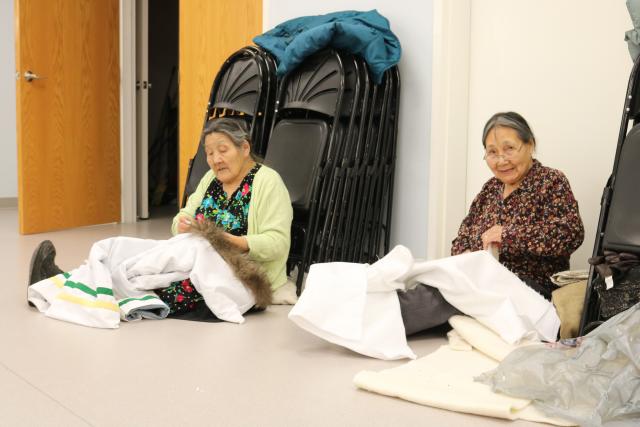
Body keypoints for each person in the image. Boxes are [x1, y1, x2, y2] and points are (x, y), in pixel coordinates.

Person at [28, 117, 293, 324]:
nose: (215, 160)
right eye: (209, 153)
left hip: (241, 275)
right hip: (194, 259)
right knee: (129, 251)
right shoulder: (211, 180)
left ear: (244, 148)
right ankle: (69, 280)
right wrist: (183, 224)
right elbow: (183, 217)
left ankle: (60, 285)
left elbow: (278, 243)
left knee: (149, 279)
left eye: (222, 150)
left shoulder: (268, 182)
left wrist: (227, 240)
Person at [451, 111, 584, 299]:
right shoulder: (490, 189)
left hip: (531, 289)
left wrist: (507, 235)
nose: (501, 160)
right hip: (482, 284)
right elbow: (462, 237)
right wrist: (466, 254)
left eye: (509, 149)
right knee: (429, 290)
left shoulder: (550, 181)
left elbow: (570, 233)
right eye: (492, 152)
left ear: (530, 145)